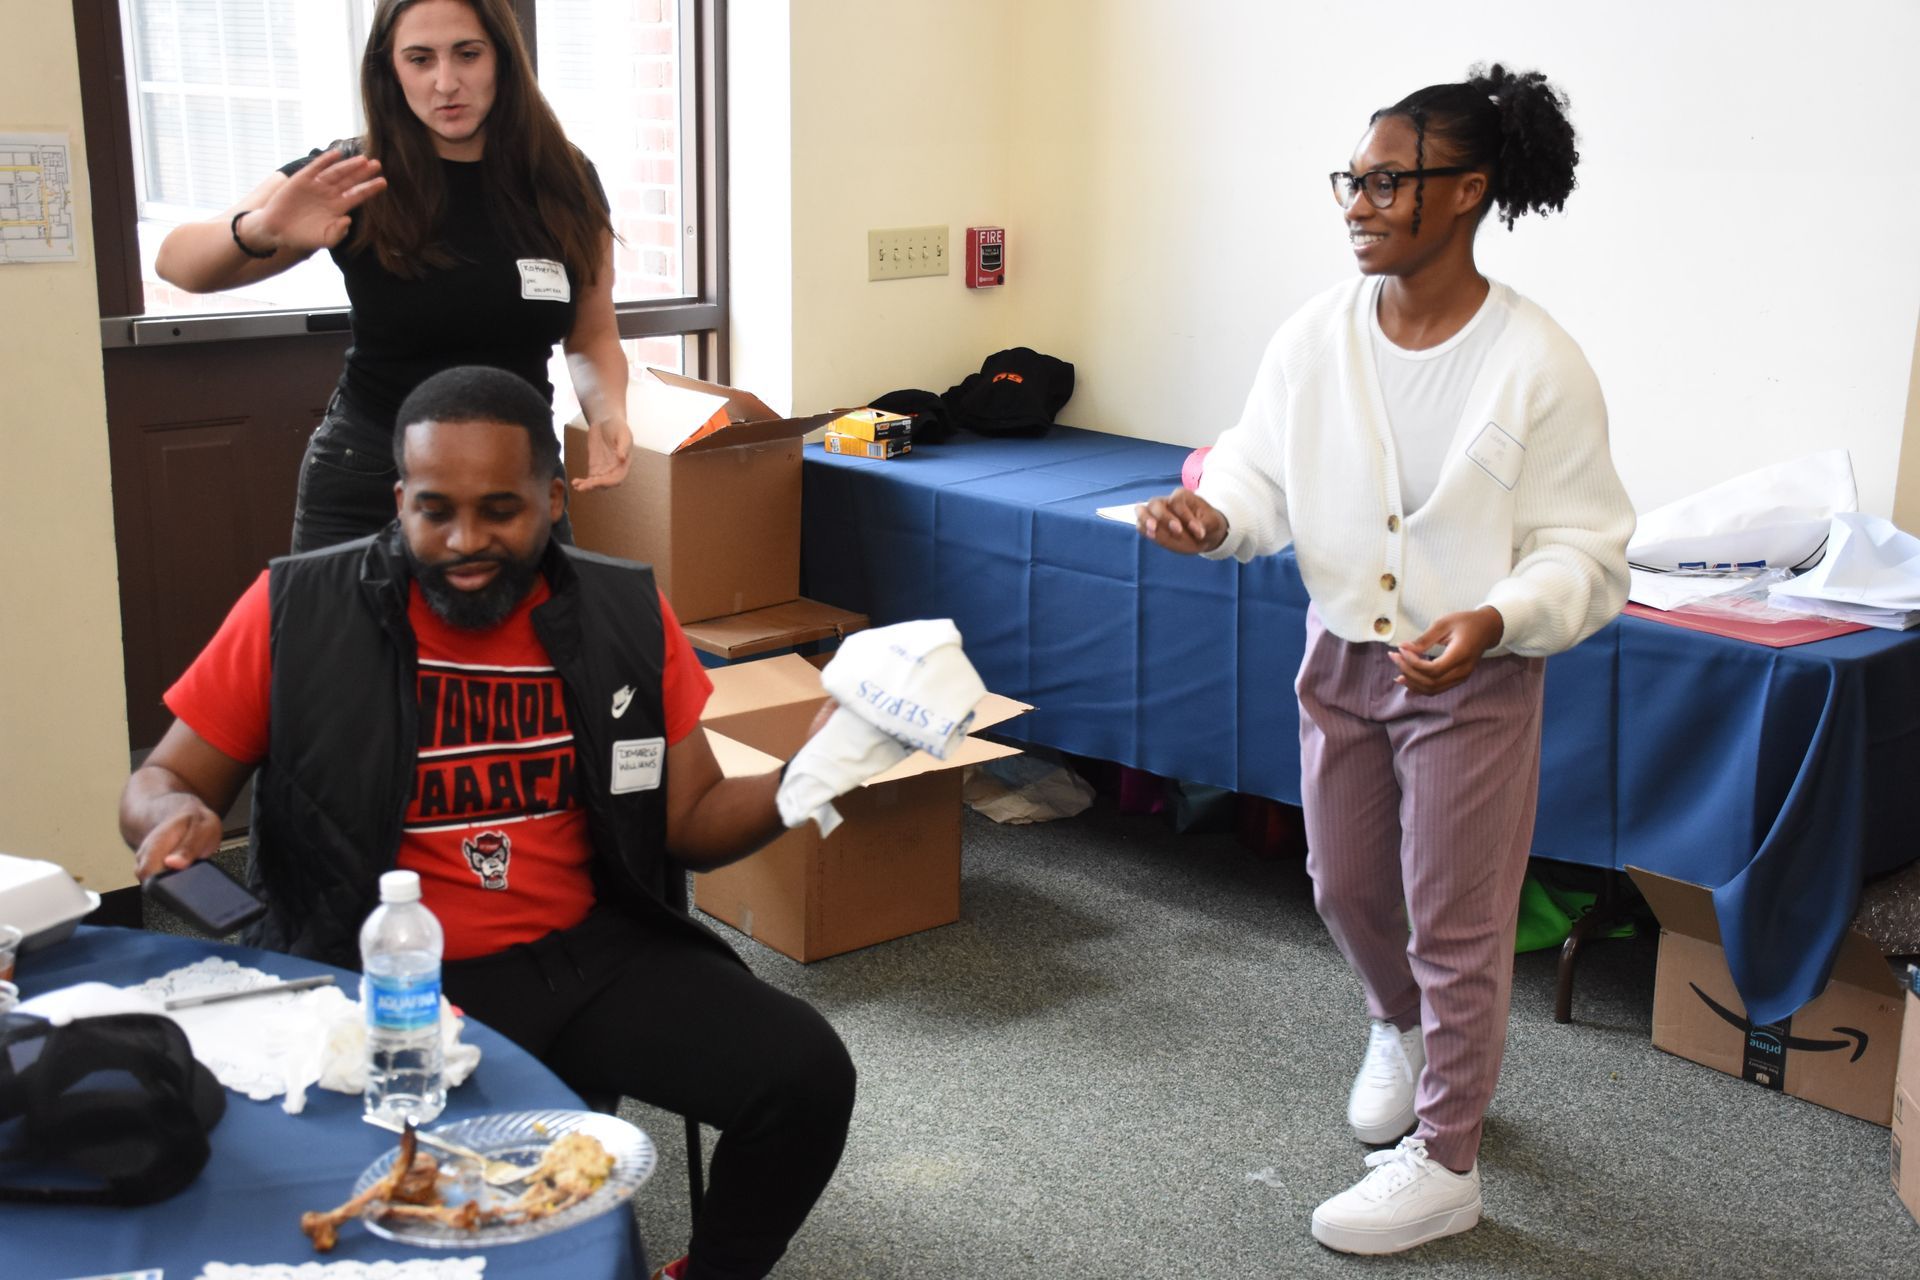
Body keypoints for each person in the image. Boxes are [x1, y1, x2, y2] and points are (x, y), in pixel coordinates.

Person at [120, 365, 853, 1280]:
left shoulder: (625, 612)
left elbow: (694, 818)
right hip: (384, 977)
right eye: (435, 510)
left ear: (553, 497)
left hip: (588, 954)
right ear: (399, 500)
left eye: (499, 510)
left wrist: (812, 775)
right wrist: (175, 811)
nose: (465, 540)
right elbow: (161, 777)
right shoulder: (298, 610)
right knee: (441, 1225)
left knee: (804, 1076)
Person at [1137, 65, 1633, 1255]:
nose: (1357, 201)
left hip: (1473, 679)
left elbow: (1588, 547)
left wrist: (1495, 620)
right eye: (1352, 179)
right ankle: (1396, 1029)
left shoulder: (1537, 361)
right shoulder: (1316, 337)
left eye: (1387, 180)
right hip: (1343, 655)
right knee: (1346, 882)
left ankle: (1448, 1157)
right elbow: (1256, 471)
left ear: (1466, 191)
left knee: (1457, 918)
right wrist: (1216, 518)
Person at [153, 0, 633, 553]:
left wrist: (607, 414)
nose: (446, 82)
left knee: (532, 640)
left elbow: (592, 333)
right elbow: (177, 263)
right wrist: (263, 228)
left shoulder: (563, 178)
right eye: (420, 59)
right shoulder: (352, 175)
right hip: (368, 474)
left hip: (515, 476)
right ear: (391, 70)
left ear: (502, 59)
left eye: (467, 55)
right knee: (341, 642)